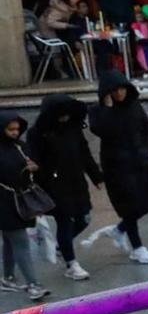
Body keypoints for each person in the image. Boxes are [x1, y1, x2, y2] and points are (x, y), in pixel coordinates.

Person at [25, 94, 99, 282]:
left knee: (84, 218)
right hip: (54, 185)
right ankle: (71, 263)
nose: (65, 117)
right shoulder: (38, 133)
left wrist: (96, 176)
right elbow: (33, 157)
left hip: (76, 181)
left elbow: (84, 153)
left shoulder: (73, 128)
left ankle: (62, 246)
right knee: (65, 221)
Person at [88, 74, 148, 265]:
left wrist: (146, 153)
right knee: (128, 205)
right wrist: (107, 108)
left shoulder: (134, 106)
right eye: (115, 90)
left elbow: (145, 129)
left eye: (122, 89)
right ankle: (137, 247)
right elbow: (101, 130)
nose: (119, 93)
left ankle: (119, 230)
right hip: (116, 166)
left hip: (138, 162)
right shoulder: (98, 111)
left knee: (144, 202)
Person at [0, 112, 52, 301]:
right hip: (5, 203)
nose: (15, 133)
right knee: (20, 241)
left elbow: (29, 169)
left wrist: (33, 168)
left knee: (9, 240)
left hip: (17, 201)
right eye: (10, 129)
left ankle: (8, 277)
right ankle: (33, 284)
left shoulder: (20, 147)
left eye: (17, 129)